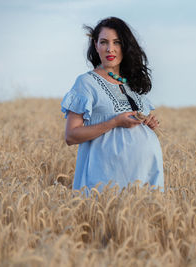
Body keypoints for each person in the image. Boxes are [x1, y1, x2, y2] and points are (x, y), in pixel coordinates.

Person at [61, 17, 164, 192]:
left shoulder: (131, 83)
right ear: (95, 45)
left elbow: (134, 130)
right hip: (106, 180)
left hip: (145, 175)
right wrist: (114, 122)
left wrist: (148, 125)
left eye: (117, 42)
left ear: (125, 46)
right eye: (104, 42)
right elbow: (71, 136)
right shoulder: (86, 83)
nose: (110, 48)